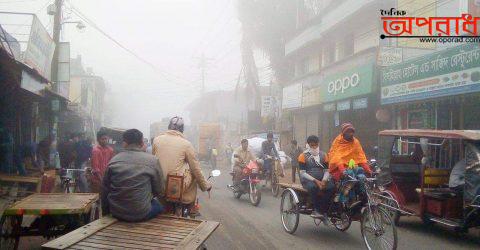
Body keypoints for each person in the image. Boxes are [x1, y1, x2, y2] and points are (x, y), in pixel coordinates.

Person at [101, 129, 164, 222]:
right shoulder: (153, 160)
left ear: (124, 143)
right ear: (142, 143)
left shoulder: (114, 160)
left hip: (116, 212)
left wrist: (105, 213)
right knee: (159, 206)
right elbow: (159, 189)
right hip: (141, 213)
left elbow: (105, 189)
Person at [152, 116, 211, 205]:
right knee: (193, 173)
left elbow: (153, 161)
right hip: (174, 188)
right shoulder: (186, 144)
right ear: (182, 129)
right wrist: (205, 185)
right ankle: (188, 204)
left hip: (157, 185)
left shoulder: (157, 140)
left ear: (169, 127)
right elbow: (196, 169)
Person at [298, 135, 333, 221]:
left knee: (332, 187)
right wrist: (316, 181)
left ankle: (321, 209)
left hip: (322, 179)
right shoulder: (302, 156)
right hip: (307, 180)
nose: (314, 147)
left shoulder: (324, 155)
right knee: (313, 187)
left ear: (318, 144)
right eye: (312, 145)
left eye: (316, 145)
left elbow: (327, 170)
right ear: (308, 145)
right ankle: (317, 209)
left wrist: (324, 181)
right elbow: (302, 173)